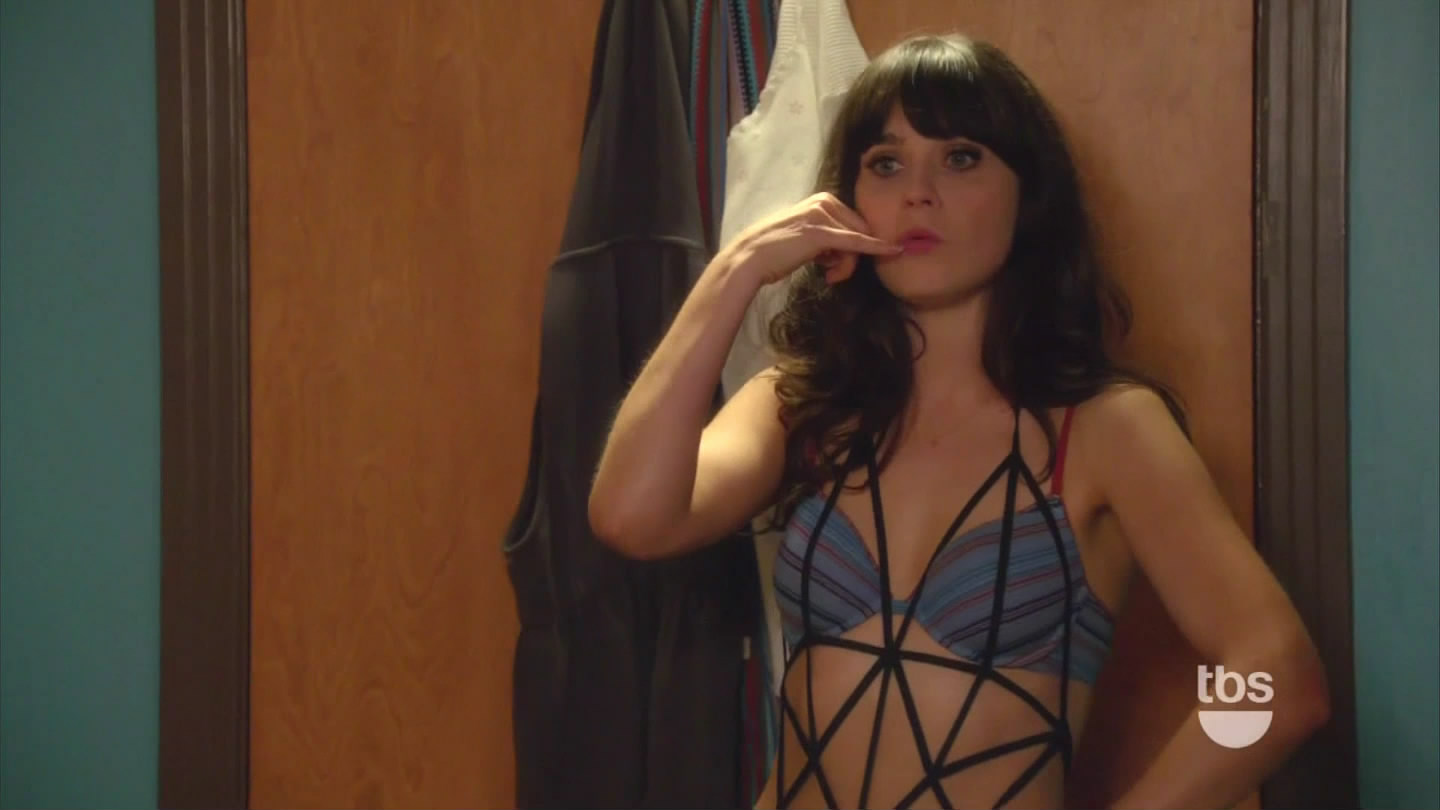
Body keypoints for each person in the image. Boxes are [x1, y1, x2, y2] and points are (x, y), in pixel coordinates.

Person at [588, 33, 1330, 810]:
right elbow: (631, 517)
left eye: (962, 157)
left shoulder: (1106, 430)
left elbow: (1280, 680)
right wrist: (736, 270)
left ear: (1028, 197)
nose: (918, 192)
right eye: (886, 163)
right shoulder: (801, 405)